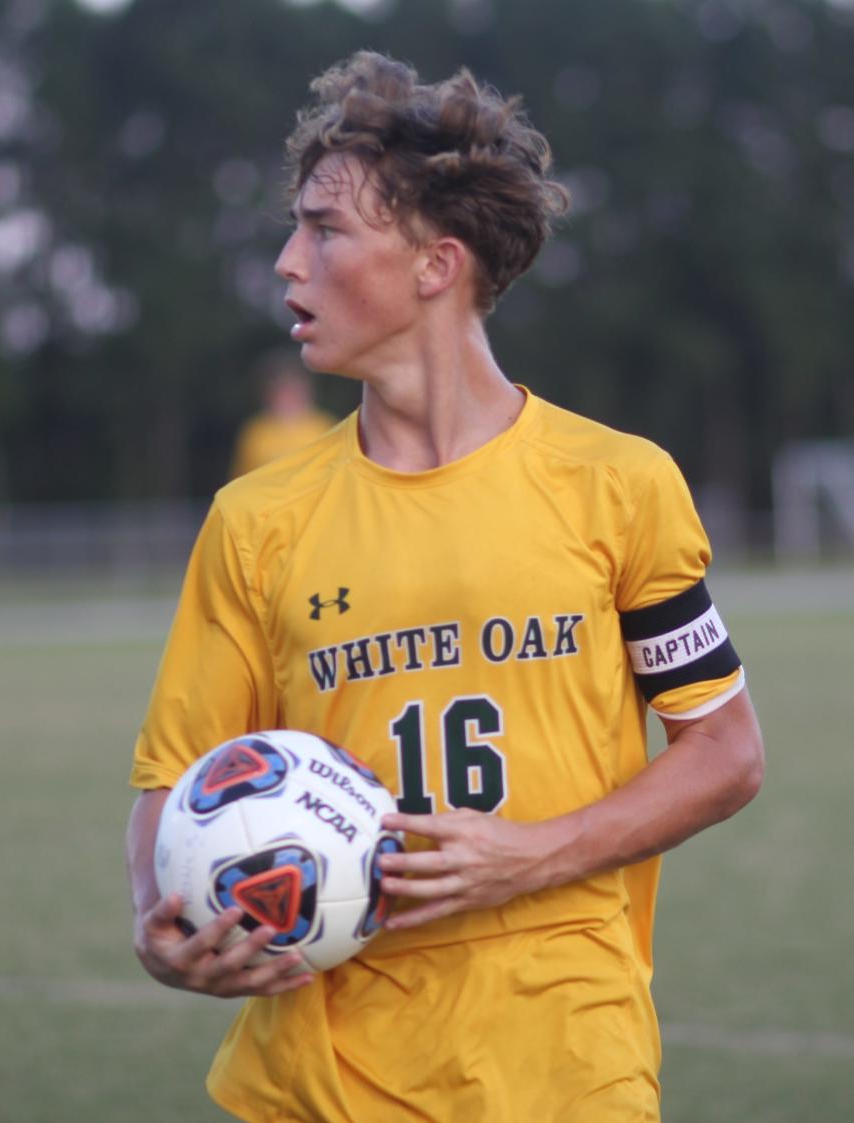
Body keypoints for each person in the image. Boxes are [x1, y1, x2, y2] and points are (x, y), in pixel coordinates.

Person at [127, 51, 764, 1123]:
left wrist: (534, 854)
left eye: (324, 228)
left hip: (568, 1065)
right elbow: (174, 783)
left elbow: (727, 751)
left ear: (435, 264)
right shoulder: (256, 521)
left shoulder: (618, 484)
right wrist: (162, 926)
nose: (287, 262)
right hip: (315, 1083)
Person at [228, 352, 337, 479]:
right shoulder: (255, 432)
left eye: (293, 389)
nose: (287, 396)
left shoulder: (327, 427)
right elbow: (241, 479)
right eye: (282, 389)